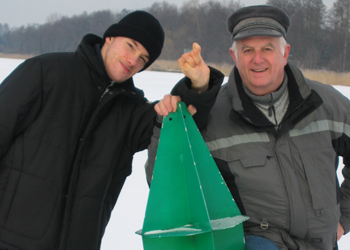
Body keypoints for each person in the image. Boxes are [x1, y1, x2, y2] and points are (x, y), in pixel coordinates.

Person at [0, 10, 224, 250]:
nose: (133, 60)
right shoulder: (45, 72)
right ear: (109, 38)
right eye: (131, 45)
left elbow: (180, 128)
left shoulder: (132, 111)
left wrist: (198, 87)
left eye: (143, 58)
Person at [146, 5, 350, 250]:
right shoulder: (213, 114)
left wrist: (345, 215)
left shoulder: (326, 103)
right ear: (234, 57)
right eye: (247, 50)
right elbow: (169, 183)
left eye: (267, 48)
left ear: (285, 53)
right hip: (256, 243)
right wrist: (167, 122)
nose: (257, 59)